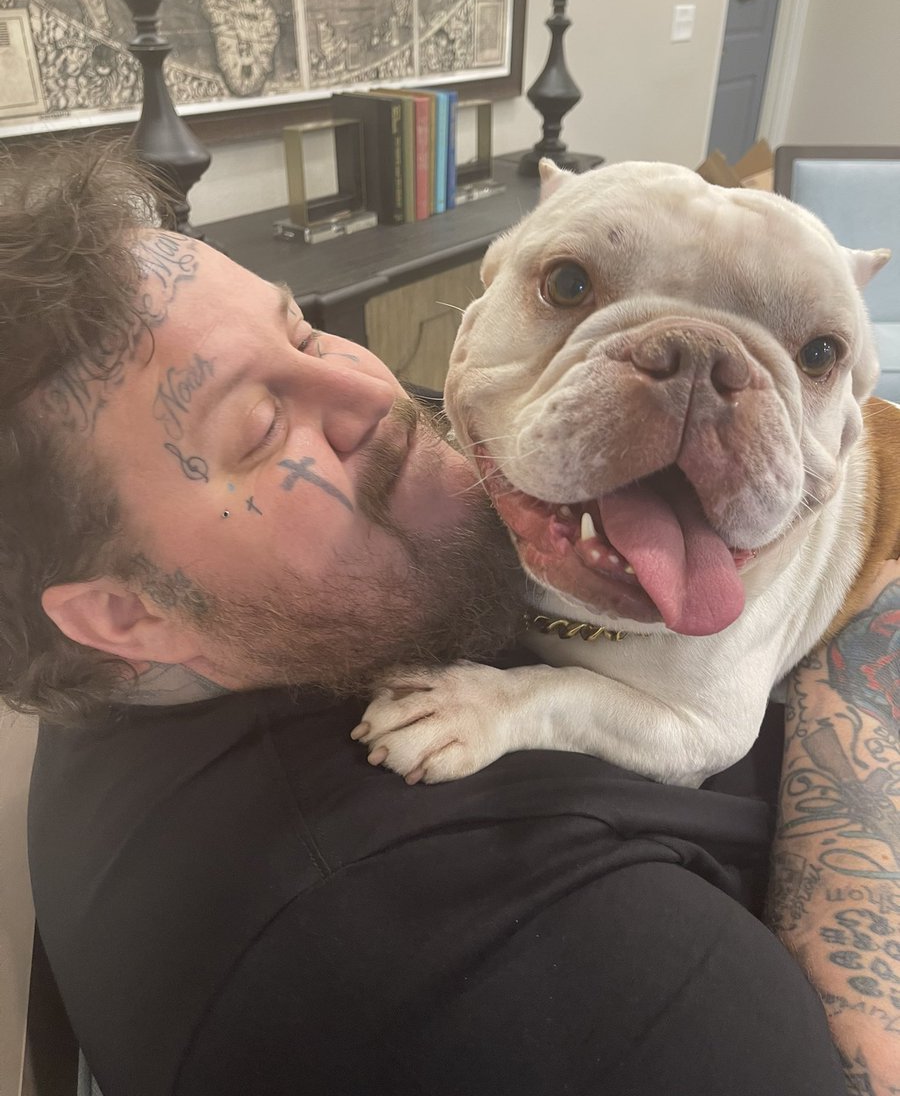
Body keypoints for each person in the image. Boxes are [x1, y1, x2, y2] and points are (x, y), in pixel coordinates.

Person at [1, 141, 895, 1096]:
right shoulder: (506, 960)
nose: (377, 390)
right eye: (259, 430)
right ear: (122, 615)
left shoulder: (167, 644)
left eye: (304, 332)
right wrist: (866, 668)